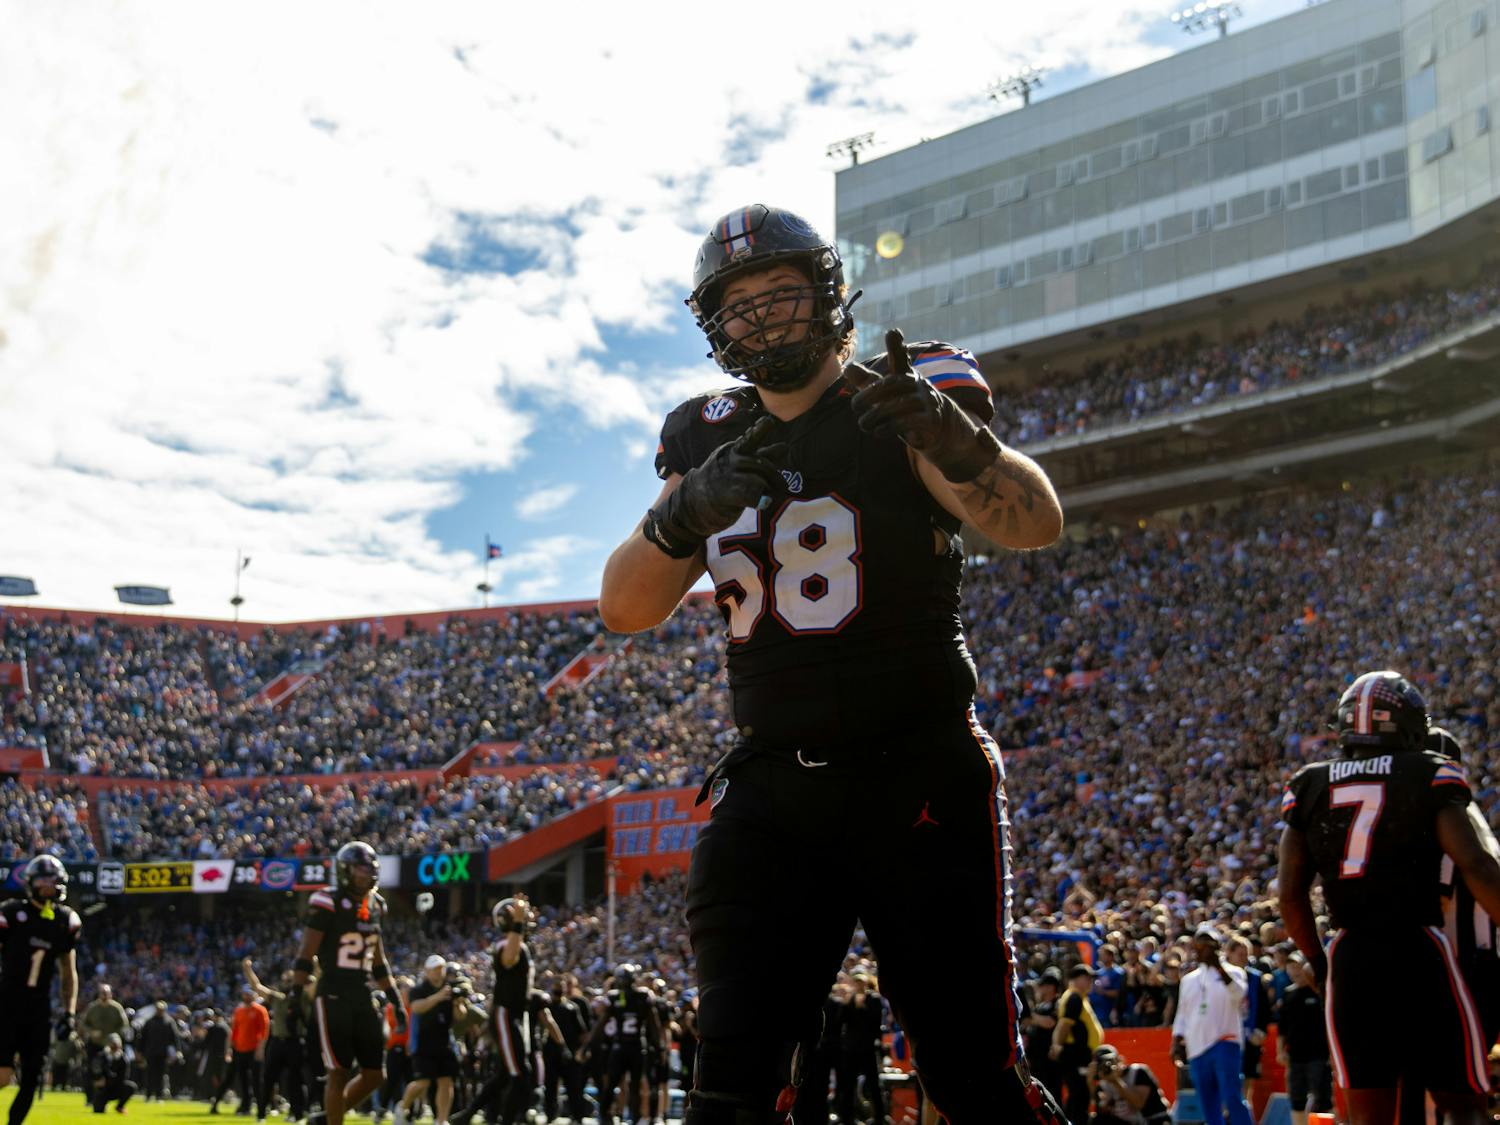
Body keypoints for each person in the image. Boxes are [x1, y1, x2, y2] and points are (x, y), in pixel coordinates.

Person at [597, 203, 1064, 1125]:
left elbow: (1032, 520)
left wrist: (948, 435)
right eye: (740, 305)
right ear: (714, 326)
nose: (763, 317)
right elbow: (624, 604)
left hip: (917, 766)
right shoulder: (703, 431)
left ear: (827, 293)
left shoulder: (901, 388)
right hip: (773, 789)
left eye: (779, 293)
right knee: (731, 1088)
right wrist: (682, 512)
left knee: (972, 1076)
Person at [1279, 671, 1500, 1125]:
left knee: (1367, 1115)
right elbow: (1477, 865)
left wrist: (1318, 962)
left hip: (1350, 955)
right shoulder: (1428, 772)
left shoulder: (1309, 784)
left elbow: (1290, 894)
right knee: (1463, 1105)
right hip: (1419, 947)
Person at [292, 841, 403, 1125]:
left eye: (369, 870)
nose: (365, 876)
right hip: (333, 993)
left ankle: (325, 1118)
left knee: (375, 1075)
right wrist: (296, 994)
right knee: (338, 1072)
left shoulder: (376, 904)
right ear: (345, 871)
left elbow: (378, 960)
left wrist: (394, 997)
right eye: (359, 870)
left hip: (362, 993)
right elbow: (307, 953)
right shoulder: (327, 900)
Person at [0, 855, 81, 1125]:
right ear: (31, 883)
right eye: (43, 880)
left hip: (38, 1009)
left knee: (33, 1078)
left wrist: (69, 1013)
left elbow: (69, 974)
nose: (48, 885)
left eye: (53, 880)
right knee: (2, 1077)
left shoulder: (64, 920)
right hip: (7, 1004)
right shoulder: (12, 913)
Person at [451, 895, 536, 1125]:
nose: (526, 918)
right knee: (520, 1074)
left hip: (515, 1013)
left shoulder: (521, 943)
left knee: (508, 1074)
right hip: (506, 1012)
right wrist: (518, 922)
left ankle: (467, 1115)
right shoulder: (504, 945)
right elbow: (510, 958)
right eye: (519, 916)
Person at [1170, 925, 1253, 1125]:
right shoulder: (1189, 979)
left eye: (1208, 944)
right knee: (1208, 1104)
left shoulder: (1235, 972)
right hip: (1197, 1047)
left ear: (1217, 947)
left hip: (1225, 1041)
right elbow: (1182, 1013)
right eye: (1199, 944)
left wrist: (1219, 967)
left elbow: (1239, 994)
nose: (1203, 949)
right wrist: (1175, 1041)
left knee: (1232, 1097)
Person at [579, 963, 662, 1125]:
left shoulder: (616, 996)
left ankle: (606, 1116)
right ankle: (632, 1118)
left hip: (622, 1046)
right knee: (633, 1085)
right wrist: (659, 1047)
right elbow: (654, 1025)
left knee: (613, 1084)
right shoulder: (642, 996)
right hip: (637, 1045)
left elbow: (599, 1025)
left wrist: (587, 1046)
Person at [394, 955, 468, 1125]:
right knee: (422, 1082)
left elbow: (460, 1016)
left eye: (441, 968)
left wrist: (459, 1003)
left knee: (446, 1080)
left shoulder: (450, 989)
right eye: (435, 969)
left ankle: (441, 1120)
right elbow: (416, 1008)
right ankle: (402, 1107)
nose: (438, 972)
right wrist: (438, 997)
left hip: (444, 1041)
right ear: (427, 971)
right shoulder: (419, 989)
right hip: (423, 1042)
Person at [243, 959, 311, 1123]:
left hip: (295, 1041)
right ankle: (261, 1114)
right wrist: (247, 970)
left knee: (295, 1080)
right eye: (285, 980)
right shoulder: (278, 998)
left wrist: (314, 968)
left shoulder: (302, 997)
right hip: (277, 1043)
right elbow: (257, 987)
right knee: (268, 1079)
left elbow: (314, 984)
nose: (286, 982)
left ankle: (298, 1114)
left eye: (290, 980)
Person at [1274, 955, 1331, 1125]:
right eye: (1291, 967)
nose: (1295, 972)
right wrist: (1280, 1051)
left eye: (1297, 967)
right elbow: (1282, 1027)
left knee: (1322, 1098)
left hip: (1319, 1056)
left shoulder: (1320, 992)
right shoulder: (1287, 994)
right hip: (1295, 1056)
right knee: (1296, 1098)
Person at [1051, 965, 1101, 1123]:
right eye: (1087, 978)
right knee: (1079, 1095)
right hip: (1075, 1055)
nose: (1090, 981)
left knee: (1079, 1094)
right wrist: (1057, 1047)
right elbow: (1064, 1025)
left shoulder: (1079, 997)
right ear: (1076, 979)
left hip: (1078, 1054)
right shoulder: (1074, 997)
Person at [835, 972, 886, 1125]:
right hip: (851, 1049)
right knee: (848, 1085)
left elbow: (876, 1022)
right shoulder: (849, 998)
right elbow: (840, 1021)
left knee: (874, 1085)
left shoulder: (874, 999)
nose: (858, 985)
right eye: (856, 982)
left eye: (860, 982)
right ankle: (847, 1117)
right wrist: (845, 1004)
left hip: (868, 1049)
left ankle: (879, 1117)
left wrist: (863, 1006)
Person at [213, 986, 270, 1115]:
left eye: (248, 994)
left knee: (257, 1081)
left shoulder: (260, 1010)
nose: (246, 997)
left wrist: (260, 1049)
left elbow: (264, 1031)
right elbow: (233, 1032)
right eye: (245, 994)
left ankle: (261, 1109)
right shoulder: (238, 1011)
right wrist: (229, 1050)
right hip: (239, 1050)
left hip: (253, 1050)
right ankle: (245, 1107)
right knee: (243, 1080)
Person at [1086, 1044, 1170, 1125]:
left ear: (1120, 1060)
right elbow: (1100, 1109)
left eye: (1110, 1061)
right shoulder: (1103, 1083)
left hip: (1151, 1120)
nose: (1107, 1066)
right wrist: (1090, 1082)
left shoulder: (1138, 1072)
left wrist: (1115, 1081)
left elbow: (1139, 1104)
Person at [139, 1000, 182, 1102]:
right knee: (149, 1074)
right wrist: (139, 1051)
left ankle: (159, 1095)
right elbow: (143, 1038)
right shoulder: (149, 1021)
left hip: (163, 1053)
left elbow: (175, 1037)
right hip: (150, 1052)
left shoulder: (169, 1021)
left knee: (161, 1075)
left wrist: (178, 1050)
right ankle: (148, 1095)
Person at [90, 1033, 136, 1114]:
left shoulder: (123, 1059)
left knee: (130, 1087)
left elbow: (124, 1077)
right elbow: (95, 1071)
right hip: (103, 1089)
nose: (114, 1048)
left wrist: (109, 1079)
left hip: (115, 1087)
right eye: (112, 1045)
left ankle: (120, 1106)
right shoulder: (101, 1057)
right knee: (98, 1111)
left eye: (116, 1045)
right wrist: (98, 1079)